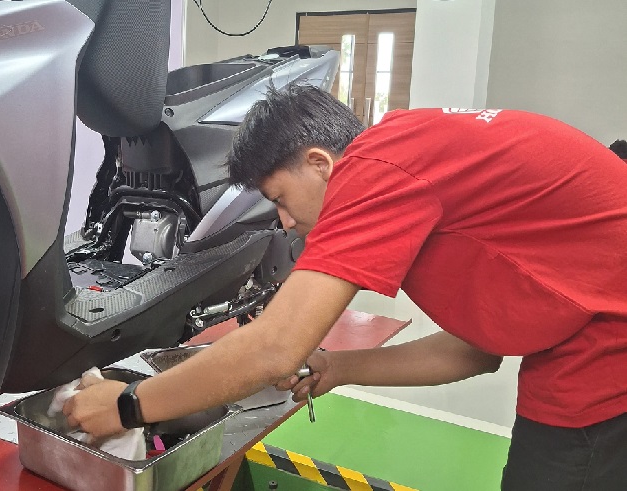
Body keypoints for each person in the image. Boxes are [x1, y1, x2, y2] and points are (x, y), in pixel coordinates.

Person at [64, 84, 627, 490]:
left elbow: (272, 349)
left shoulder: (376, 167)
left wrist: (129, 406)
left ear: (320, 164)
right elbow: (475, 352)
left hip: (604, 357)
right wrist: (339, 368)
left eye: (281, 199)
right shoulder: (416, 151)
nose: (286, 223)